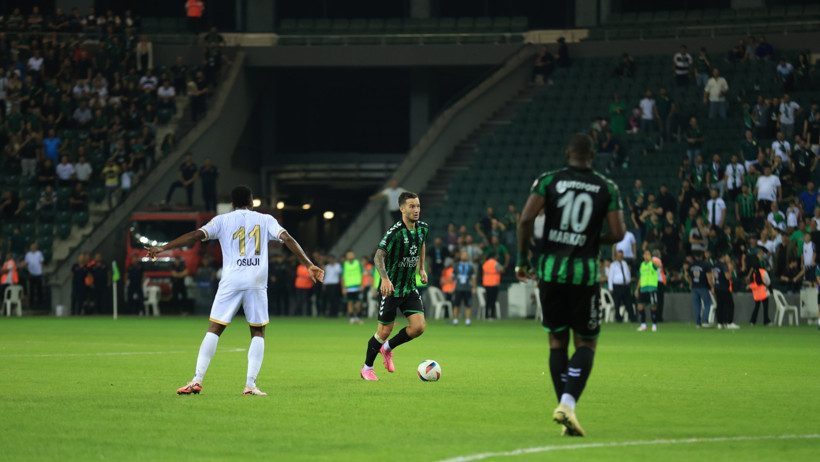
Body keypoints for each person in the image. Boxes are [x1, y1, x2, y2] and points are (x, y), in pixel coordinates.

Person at [146, 185, 323, 396]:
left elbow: (195, 235)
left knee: (214, 329)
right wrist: (308, 264)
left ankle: (197, 379)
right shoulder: (265, 219)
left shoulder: (222, 220)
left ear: (232, 204)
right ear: (252, 202)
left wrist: (163, 248)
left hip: (231, 280)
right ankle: (250, 385)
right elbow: (287, 239)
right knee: (258, 331)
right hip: (256, 280)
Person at [515, 133, 626, 437]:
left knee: (556, 342)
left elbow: (525, 220)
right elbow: (617, 232)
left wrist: (521, 260)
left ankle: (566, 408)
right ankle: (567, 404)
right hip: (584, 275)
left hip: (550, 272)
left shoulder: (549, 181)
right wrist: (593, 239)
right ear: (593, 155)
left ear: (568, 153)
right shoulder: (608, 187)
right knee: (586, 343)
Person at [360, 191, 428, 381]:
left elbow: (421, 244)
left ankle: (387, 348)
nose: (416, 210)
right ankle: (367, 367)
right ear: (402, 209)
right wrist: (385, 279)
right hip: (391, 290)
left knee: (418, 327)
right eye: (412, 206)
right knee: (383, 332)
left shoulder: (423, 228)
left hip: (409, 286)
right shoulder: (395, 233)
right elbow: (378, 256)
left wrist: (421, 268)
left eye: (418, 206)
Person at [634, 250, 661, 332]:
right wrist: (637, 289)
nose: (647, 255)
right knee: (640, 307)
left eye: (648, 254)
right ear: (643, 256)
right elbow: (641, 277)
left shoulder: (652, 263)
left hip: (652, 288)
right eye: (645, 254)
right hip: (643, 288)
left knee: (653, 307)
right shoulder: (642, 265)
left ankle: (654, 325)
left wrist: (651, 260)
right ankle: (643, 325)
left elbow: (659, 265)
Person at [687, 252, 714, 328]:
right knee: (707, 304)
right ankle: (705, 321)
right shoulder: (705, 264)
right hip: (703, 287)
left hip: (694, 287)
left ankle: (698, 323)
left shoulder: (691, 265)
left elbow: (686, 274)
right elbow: (709, 278)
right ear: (702, 255)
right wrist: (712, 286)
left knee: (696, 305)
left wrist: (690, 282)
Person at [607, 250, 635, 323]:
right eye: (618, 256)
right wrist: (610, 288)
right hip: (617, 286)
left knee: (628, 302)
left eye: (621, 256)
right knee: (617, 303)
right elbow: (610, 277)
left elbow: (627, 273)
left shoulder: (625, 263)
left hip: (625, 286)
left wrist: (628, 280)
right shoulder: (613, 265)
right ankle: (618, 318)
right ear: (616, 256)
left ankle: (632, 317)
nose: (620, 257)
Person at [713, 253, 739, 330]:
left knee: (720, 305)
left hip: (717, 287)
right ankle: (729, 323)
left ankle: (720, 323)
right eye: (727, 256)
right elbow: (727, 277)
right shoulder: (724, 265)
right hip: (724, 287)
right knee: (730, 305)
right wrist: (731, 271)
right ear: (723, 257)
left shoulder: (715, 265)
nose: (728, 258)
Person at [450, 250, 475, 326]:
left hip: (467, 288)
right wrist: (451, 286)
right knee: (456, 304)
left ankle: (467, 320)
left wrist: (473, 287)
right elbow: (452, 276)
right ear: (460, 256)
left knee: (468, 304)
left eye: (465, 255)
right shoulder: (456, 266)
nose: (464, 256)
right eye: (463, 255)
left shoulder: (470, 266)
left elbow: (473, 277)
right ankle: (455, 320)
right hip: (458, 288)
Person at [342, 250, 365, 324]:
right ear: (347, 256)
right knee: (350, 303)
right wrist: (343, 287)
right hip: (348, 287)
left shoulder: (358, 263)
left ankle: (358, 317)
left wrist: (362, 285)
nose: (350, 256)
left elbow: (362, 274)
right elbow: (342, 277)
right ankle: (351, 318)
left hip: (357, 286)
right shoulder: (345, 264)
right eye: (349, 255)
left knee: (359, 303)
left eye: (351, 254)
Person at [747, 258, 771, 326]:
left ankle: (752, 321)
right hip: (763, 292)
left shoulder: (753, 273)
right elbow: (768, 281)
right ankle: (766, 321)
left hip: (756, 293)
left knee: (756, 307)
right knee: (765, 307)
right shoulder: (763, 271)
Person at [481, 252, 502, 320]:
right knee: (493, 300)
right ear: (494, 257)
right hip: (494, 283)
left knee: (488, 300)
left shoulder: (485, 263)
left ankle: (486, 315)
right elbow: (501, 269)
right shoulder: (495, 263)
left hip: (486, 283)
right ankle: (492, 315)